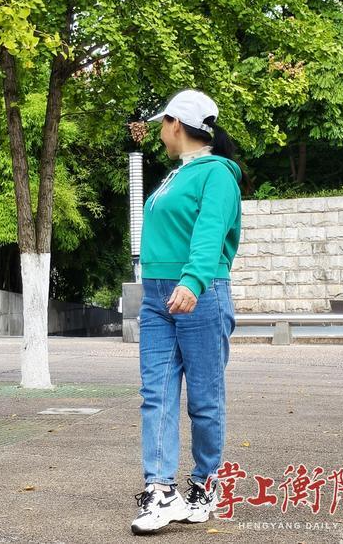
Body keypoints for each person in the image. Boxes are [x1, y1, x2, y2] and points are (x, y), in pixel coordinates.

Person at [131, 89, 243, 535]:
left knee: (203, 399)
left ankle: (205, 484)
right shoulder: (175, 175)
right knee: (155, 394)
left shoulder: (217, 174)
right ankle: (160, 489)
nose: (159, 132)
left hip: (201, 292)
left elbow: (210, 231)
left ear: (176, 123)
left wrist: (193, 281)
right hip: (158, 297)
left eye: (162, 124)